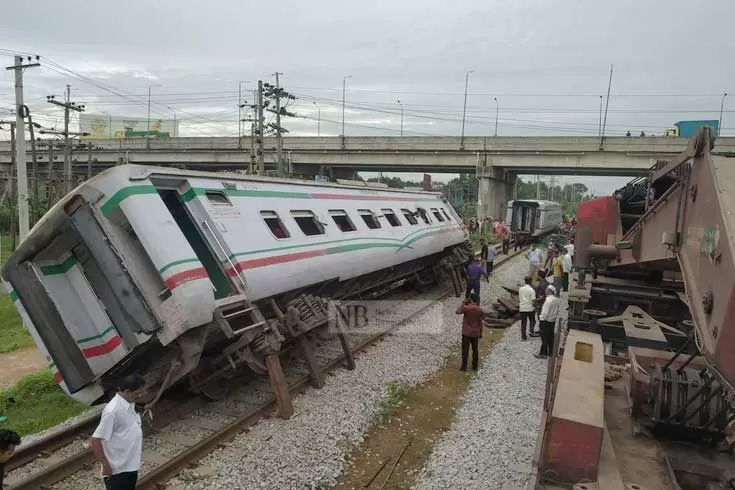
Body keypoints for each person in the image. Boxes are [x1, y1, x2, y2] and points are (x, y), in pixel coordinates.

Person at [91, 374, 146, 490]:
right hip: (117, 471)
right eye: (137, 393)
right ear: (126, 391)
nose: (140, 396)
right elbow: (95, 439)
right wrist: (105, 465)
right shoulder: (112, 411)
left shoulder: (129, 404)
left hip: (129, 466)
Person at [456, 292, 486, 371]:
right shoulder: (480, 310)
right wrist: (481, 333)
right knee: (475, 350)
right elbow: (481, 321)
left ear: (471, 299)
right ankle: (475, 366)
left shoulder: (467, 308)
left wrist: (463, 303)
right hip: (475, 333)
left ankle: (463, 367)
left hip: (466, 332)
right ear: (477, 300)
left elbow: (457, 311)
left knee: (465, 350)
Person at [535, 285, 561, 359]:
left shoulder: (548, 301)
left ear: (549, 291)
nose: (545, 291)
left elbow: (545, 313)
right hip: (552, 321)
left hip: (546, 321)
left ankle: (543, 353)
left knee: (544, 338)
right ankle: (551, 352)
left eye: (546, 289)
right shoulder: (557, 300)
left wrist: (541, 319)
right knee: (550, 337)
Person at [518, 276, 536, 341]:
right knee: (532, 320)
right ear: (530, 282)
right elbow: (533, 300)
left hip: (522, 308)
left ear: (525, 281)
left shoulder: (520, 289)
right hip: (530, 308)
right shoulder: (531, 290)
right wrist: (535, 306)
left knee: (523, 323)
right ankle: (531, 330)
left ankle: (523, 337)